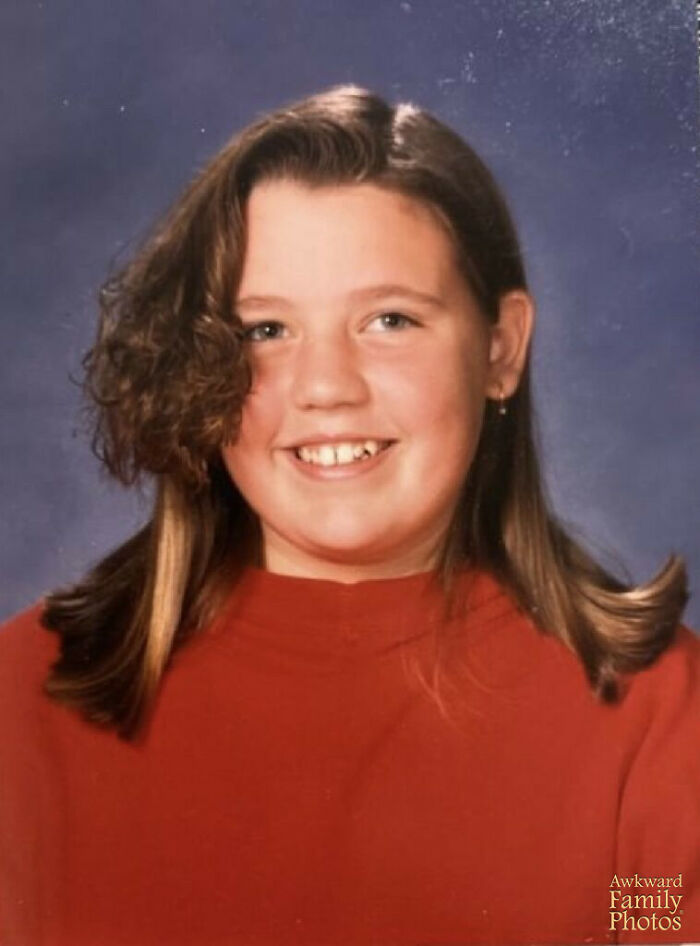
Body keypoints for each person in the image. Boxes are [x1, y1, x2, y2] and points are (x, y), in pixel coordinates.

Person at [0, 85, 698, 946]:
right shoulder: (23, 698)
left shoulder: (655, 713)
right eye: (265, 331)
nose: (327, 386)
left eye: (389, 319)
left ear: (501, 348)